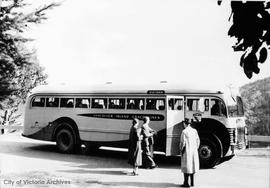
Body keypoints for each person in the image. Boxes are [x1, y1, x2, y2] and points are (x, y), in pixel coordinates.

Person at [179, 118, 200, 187]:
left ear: (185, 123)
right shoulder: (194, 131)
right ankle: (192, 182)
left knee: (186, 167)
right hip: (194, 151)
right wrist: (195, 148)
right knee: (192, 166)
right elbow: (198, 141)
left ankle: (186, 183)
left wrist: (181, 150)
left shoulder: (184, 131)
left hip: (187, 151)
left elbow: (183, 143)